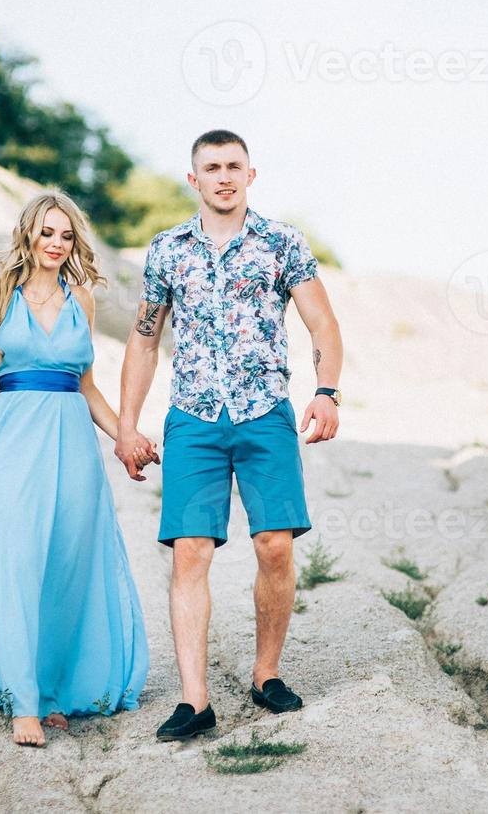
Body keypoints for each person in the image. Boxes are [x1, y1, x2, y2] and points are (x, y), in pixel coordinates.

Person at [116, 129, 345, 742]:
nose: (223, 176)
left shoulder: (281, 243)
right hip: (193, 416)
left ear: (250, 174)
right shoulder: (166, 250)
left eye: (233, 167)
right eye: (211, 168)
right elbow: (143, 338)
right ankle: (195, 701)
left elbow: (322, 321)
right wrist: (126, 422)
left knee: (275, 544)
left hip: (264, 413)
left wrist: (326, 391)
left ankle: (266, 674)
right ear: (193, 179)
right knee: (191, 551)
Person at [0, 190, 151, 747]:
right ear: (28, 235)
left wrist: (126, 436)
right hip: (12, 445)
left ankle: (54, 691)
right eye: (47, 233)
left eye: (66, 235)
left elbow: (85, 385)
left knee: (64, 568)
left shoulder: (80, 301)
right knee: (15, 562)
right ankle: (23, 703)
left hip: (73, 449)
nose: (56, 244)